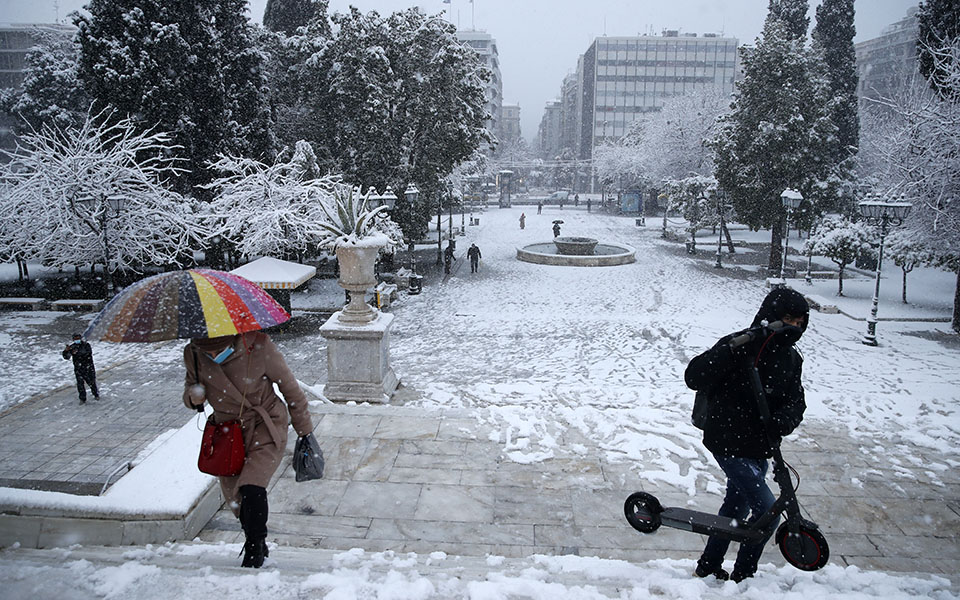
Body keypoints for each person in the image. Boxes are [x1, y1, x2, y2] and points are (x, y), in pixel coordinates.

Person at [684, 287, 809, 583]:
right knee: (767, 511)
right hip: (727, 440)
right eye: (788, 319)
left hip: (760, 445)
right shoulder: (740, 344)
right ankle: (745, 574)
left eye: (799, 322)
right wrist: (728, 353)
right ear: (772, 316)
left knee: (735, 507)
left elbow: (796, 401)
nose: (793, 327)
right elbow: (694, 376)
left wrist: (784, 421)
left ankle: (708, 565)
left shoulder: (791, 359)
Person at [183, 332, 314, 568]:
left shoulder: (259, 347)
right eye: (208, 353)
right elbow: (190, 391)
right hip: (227, 432)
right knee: (236, 497)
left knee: (252, 485)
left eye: (218, 350)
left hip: (265, 424)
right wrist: (194, 397)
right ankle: (254, 539)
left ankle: (254, 548)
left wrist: (304, 431)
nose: (214, 356)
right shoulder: (193, 353)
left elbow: (291, 390)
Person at [63, 333, 99, 404]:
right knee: (80, 384)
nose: (77, 340)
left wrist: (77, 353)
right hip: (78, 368)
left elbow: (87, 354)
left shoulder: (86, 345)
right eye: (75, 339)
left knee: (91, 382)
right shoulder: (72, 347)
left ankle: (95, 394)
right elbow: (66, 357)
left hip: (88, 367)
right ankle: (82, 399)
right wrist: (66, 351)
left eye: (78, 338)